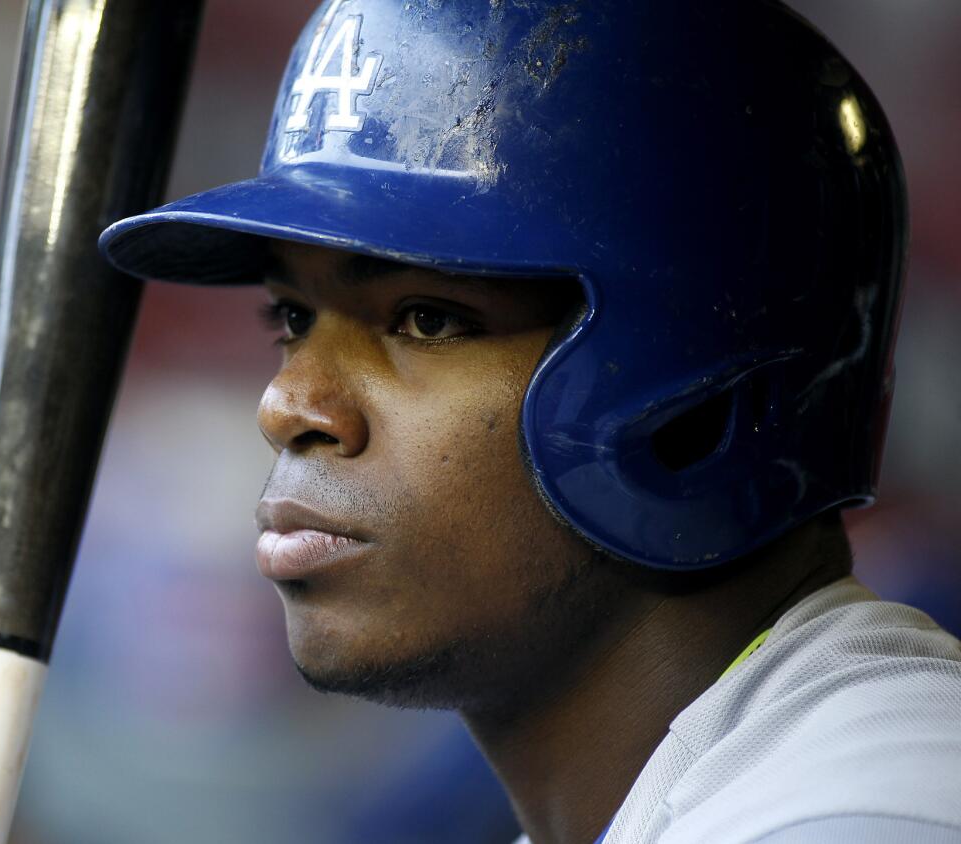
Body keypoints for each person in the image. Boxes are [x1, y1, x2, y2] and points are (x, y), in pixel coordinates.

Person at [99, 1, 961, 841]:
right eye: (292, 319)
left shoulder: (868, 802)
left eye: (427, 318)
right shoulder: (713, 789)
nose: (286, 405)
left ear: (699, 407)